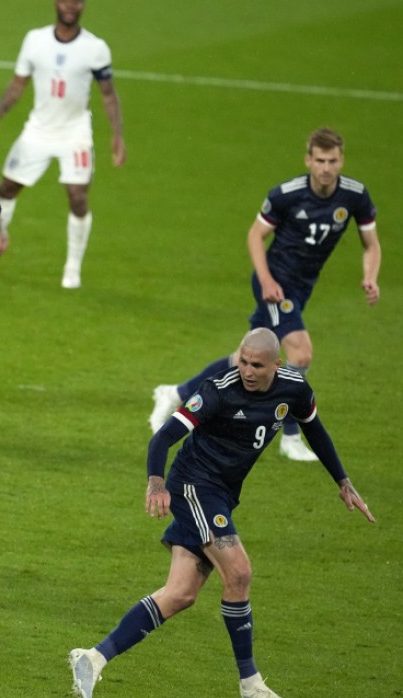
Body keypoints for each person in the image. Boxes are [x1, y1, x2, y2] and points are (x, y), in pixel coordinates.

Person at [71, 329, 374, 698]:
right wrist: (156, 484)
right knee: (239, 571)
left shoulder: (294, 388)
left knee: (180, 594)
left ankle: (93, 659)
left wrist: (343, 481)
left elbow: (314, 427)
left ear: (276, 365)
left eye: (256, 365)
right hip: (195, 487)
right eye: (242, 361)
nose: (246, 370)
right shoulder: (217, 390)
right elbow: (163, 437)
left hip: (222, 494)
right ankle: (251, 683)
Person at [149, 127, 380, 462]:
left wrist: (370, 277)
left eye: (332, 161)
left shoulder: (355, 196)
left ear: (341, 160)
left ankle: (175, 392)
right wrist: (267, 279)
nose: (326, 168)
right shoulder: (287, 194)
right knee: (299, 354)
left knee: (245, 358)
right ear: (308, 160)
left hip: (301, 288)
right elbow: (256, 236)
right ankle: (289, 437)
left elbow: (371, 245)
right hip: (275, 284)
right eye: (319, 160)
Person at [0, 0, 125, 289]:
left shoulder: (95, 47)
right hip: (38, 129)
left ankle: (72, 268)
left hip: (75, 132)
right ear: (56, 3)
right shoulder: (35, 40)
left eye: (76, 1)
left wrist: (116, 136)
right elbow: (17, 84)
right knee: (6, 187)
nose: (70, 5)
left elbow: (108, 95)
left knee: (77, 195)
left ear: (83, 6)